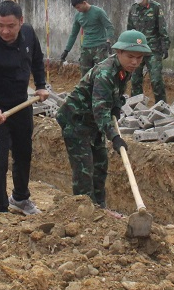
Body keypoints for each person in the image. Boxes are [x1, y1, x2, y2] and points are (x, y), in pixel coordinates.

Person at [56, 30, 151, 214]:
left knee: (101, 165)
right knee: (85, 169)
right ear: (119, 52)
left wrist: (116, 105)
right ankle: (83, 212)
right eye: (131, 56)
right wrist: (114, 137)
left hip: (92, 123)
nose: (135, 62)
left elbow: (115, 94)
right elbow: (100, 110)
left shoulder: (125, 70)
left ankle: (100, 210)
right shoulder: (105, 72)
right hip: (76, 121)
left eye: (139, 58)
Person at [0, 1, 49, 216]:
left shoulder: (28, 33)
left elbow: (37, 59)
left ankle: (20, 199)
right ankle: (0, 210)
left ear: (21, 22)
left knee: (24, 154)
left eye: (10, 26)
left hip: (21, 105)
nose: (5, 31)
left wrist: (41, 85)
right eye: (0, 26)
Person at [125, 0, 170, 104]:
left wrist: (165, 45)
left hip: (152, 50)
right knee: (135, 80)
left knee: (156, 80)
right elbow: (129, 30)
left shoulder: (155, 7)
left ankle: (162, 106)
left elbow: (162, 28)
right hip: (136, 50)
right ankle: (135, 107)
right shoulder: (132, 9)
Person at [60, 0, 115, 75]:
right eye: (76, 8)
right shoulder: (78, 16)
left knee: (101, 74)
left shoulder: (98, 12)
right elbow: (73, 34)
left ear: (84, 3)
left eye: (78, 7)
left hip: (100, 47)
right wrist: (66, 50)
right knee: (85, 76)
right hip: (86, 48)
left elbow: (110, 27)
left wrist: (108, 41)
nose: (78, 10)